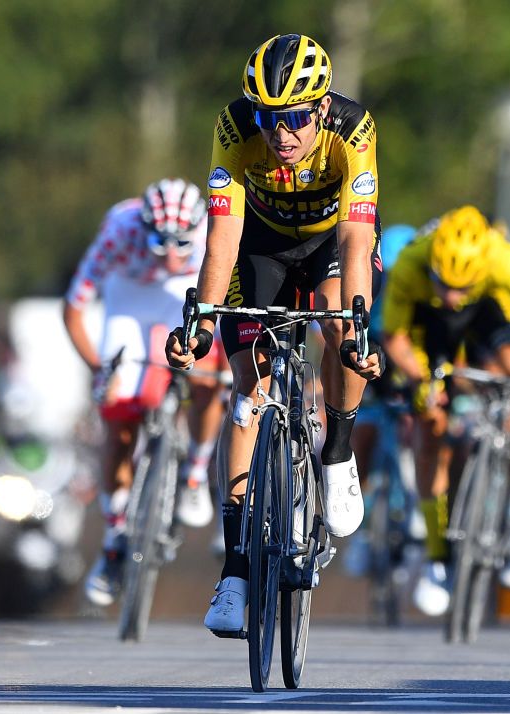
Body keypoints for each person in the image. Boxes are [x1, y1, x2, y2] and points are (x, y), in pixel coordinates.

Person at [164, 33, 383, 636]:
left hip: (330, 244)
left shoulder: (353, 128)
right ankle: (235, 568)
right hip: (257, 246)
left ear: (318, 110)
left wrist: (358, 324)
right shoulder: (234, 129)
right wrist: (202, 318)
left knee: (341, 323)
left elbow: (357, 240)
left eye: (293, 119)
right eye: (269, 117)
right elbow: (224, 236)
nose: (280, 133)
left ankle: (337, 451)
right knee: (247, 389)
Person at [381, 205, 510, 616]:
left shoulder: (502, 260)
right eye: (444, 284)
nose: (452, 296)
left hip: (486, 313)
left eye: (460, 287)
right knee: (431, 427)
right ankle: (435, 555)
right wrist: (421, 379)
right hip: (427, 328)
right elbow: (395, 337)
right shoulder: (412, 262)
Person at [64, 178, 222, 607]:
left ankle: (195, 472)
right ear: (143, 228)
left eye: (181, 244)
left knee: (211, 375)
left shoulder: (213, 230)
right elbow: (74, 308)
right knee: (117, 412)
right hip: (129, 296)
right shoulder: (119, 231)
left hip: (183, 295)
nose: (171, 254)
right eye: (160, 243)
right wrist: (99, 368)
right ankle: (115, 537)